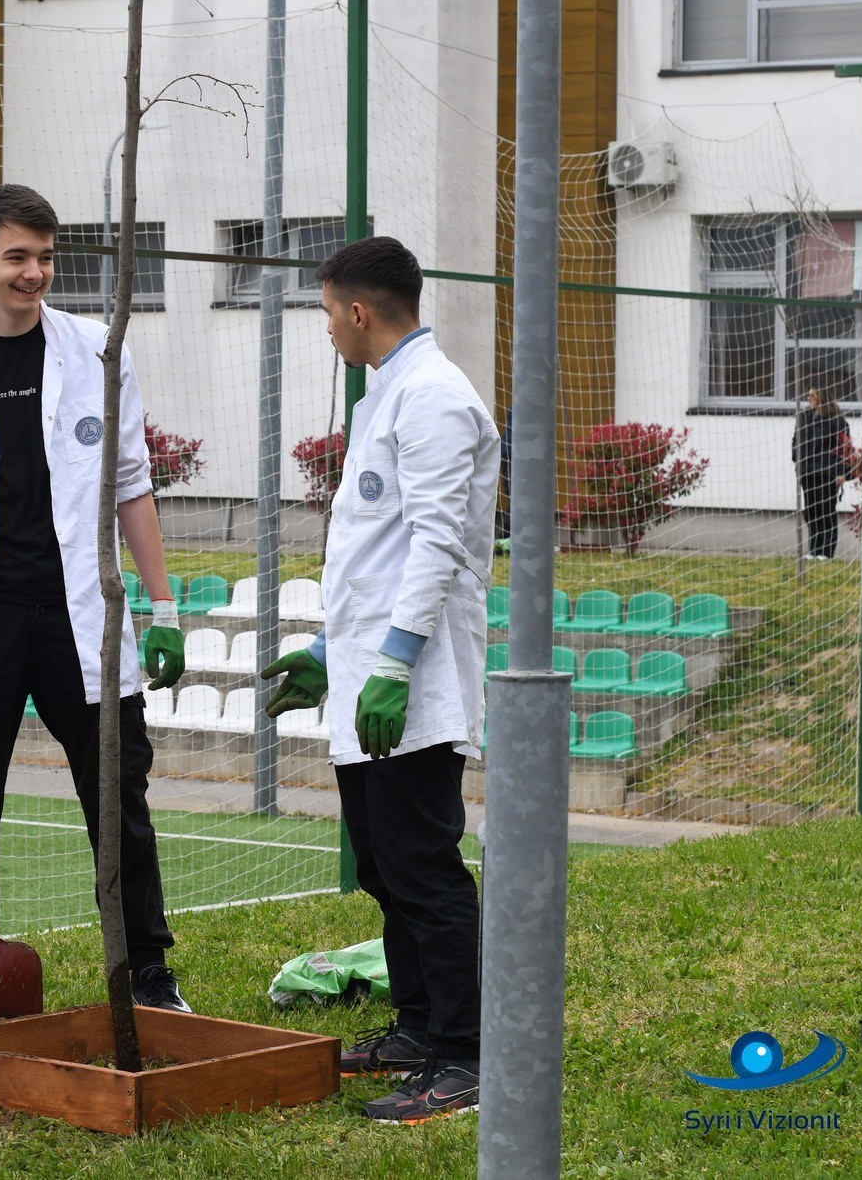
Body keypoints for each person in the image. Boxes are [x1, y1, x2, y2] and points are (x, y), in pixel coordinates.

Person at [0, 183, 191, 1025]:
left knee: (118, 799)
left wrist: (161, 607)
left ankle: (149, 969)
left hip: (81, 608)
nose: (35, 273)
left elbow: (131, 485)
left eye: (46, 257)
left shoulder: (97, 349)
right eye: (18, 257)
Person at [260, 235, 497, 1125]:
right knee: (382, 865)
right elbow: (374, 548)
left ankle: (467, 1054)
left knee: (424, 866)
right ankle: (417, 1027)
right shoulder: (383, 394)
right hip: (369, 676)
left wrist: (395, 662)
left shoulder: (432, 395)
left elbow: (439, 543)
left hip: (417, 680)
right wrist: (333, 653)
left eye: (325, 312)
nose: (325, 329)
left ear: (359, 311)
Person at [793, 387, 851, 561]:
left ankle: (826, 552)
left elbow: (845, 448)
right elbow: (796, 442)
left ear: (822, 396)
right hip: (808, 472)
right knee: (811, 512)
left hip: (827, 473)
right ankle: (814, 549)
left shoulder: (837, 421)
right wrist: (797, 460)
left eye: (813, 395)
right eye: (808, 394)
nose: (809, 397)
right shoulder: (804, 418)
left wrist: (843, 473)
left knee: (826, 511)